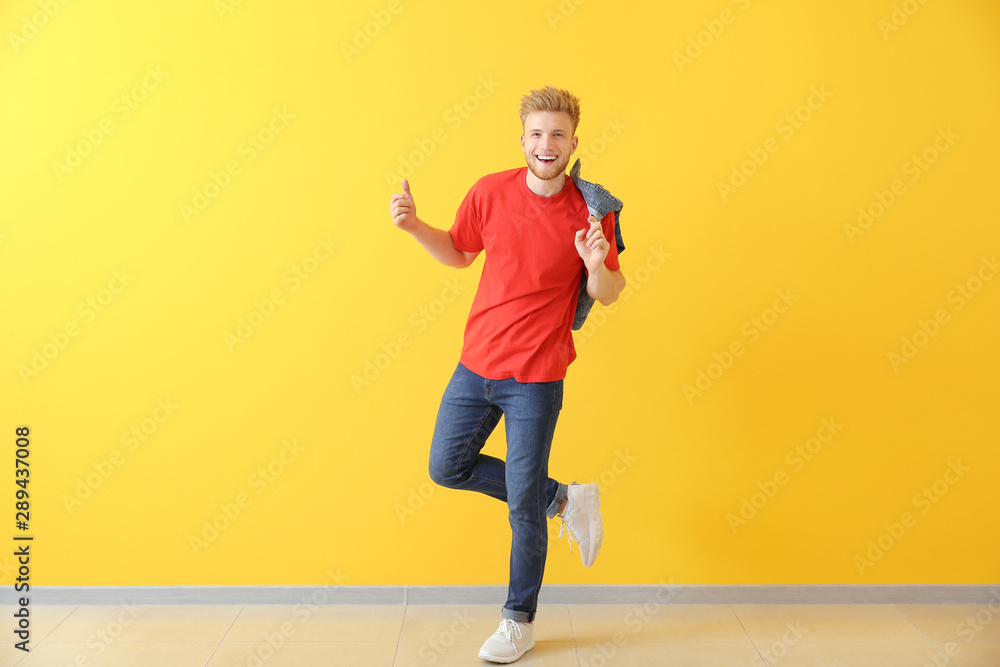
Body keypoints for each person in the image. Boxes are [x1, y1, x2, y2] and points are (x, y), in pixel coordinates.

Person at [388, 85, 626, 664]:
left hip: (536, 377)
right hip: (475, 365)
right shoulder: (489, 191)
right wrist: (417, 226)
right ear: (523, 139)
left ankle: (518, 620)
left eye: (559, 135)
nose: (547, 145)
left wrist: (596, 264)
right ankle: (564, 500)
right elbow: (460, 252)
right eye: (537, 134)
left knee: (522, 505)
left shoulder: (593, 212)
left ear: (574, 143)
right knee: (447, 466)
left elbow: (610, 293)